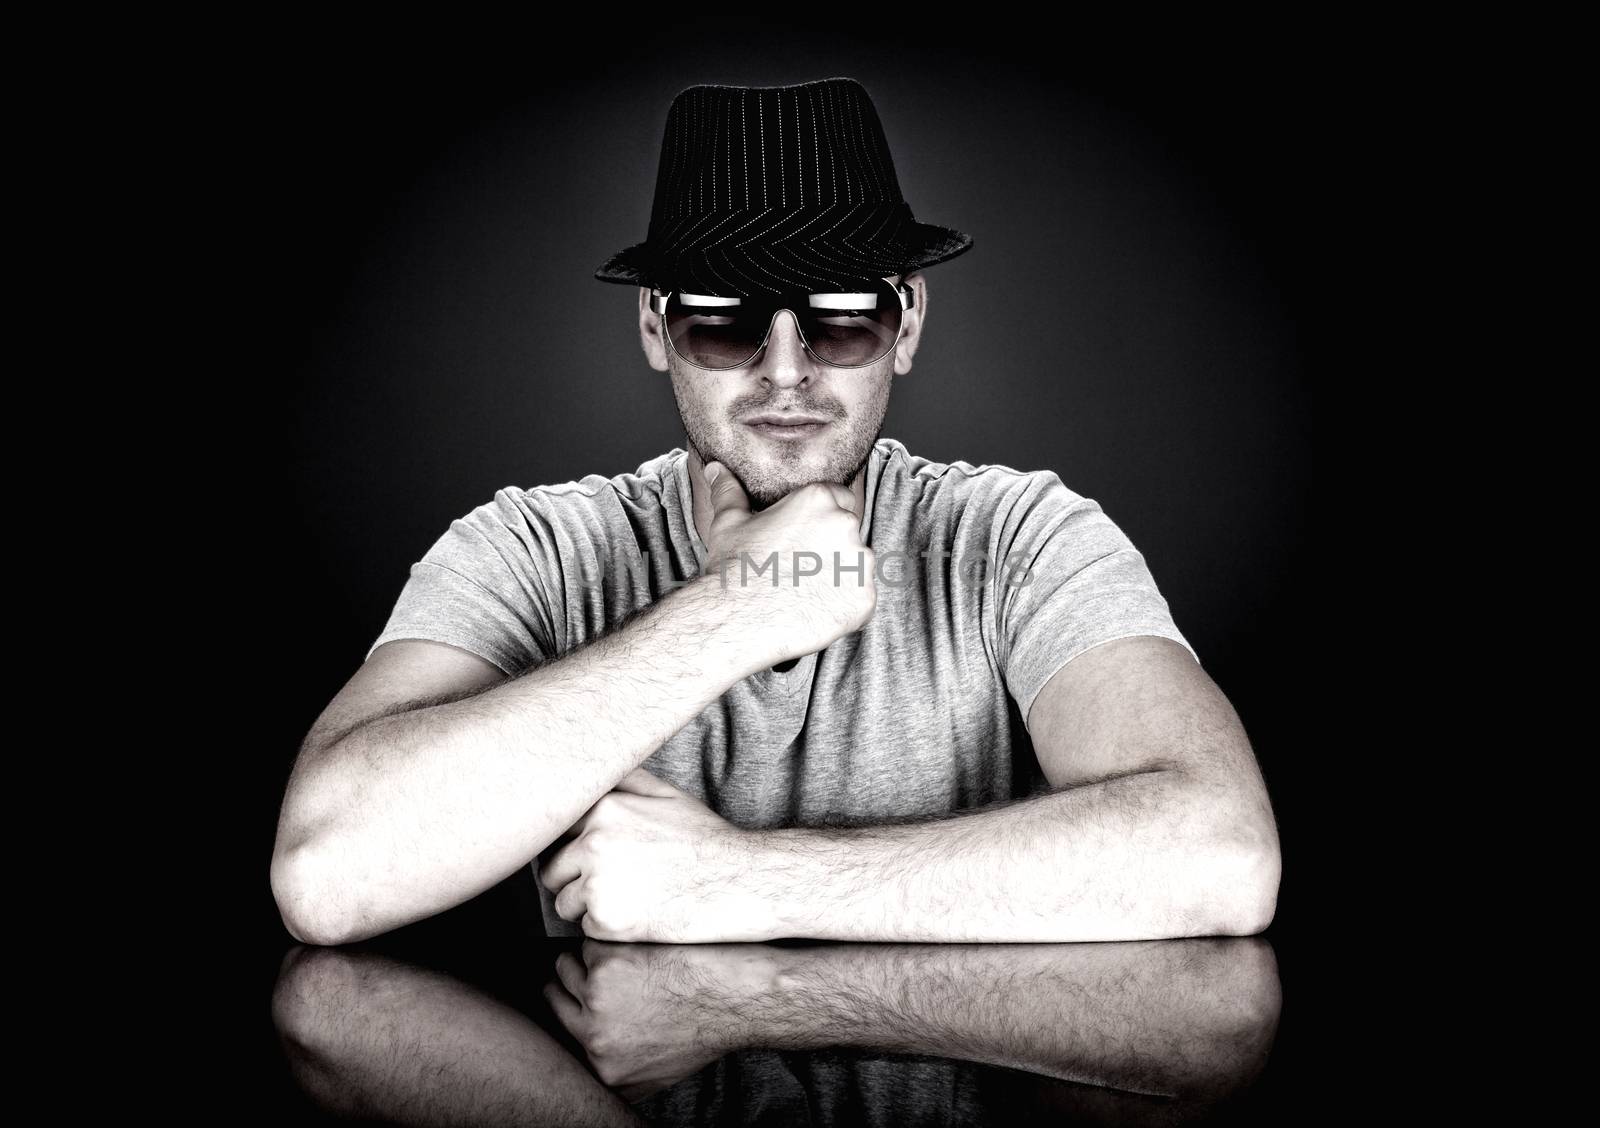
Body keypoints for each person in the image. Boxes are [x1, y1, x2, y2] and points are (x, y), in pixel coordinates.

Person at [270, 77, 1280, 946]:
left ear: (907, 324)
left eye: (842, 320)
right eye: (726, 322)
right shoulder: (532, 551)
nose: (786, 373)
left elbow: (1221, 853)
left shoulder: (1019, 540)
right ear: (655, 327)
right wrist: (735, 614)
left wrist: (741, 882)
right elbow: (327, 869)